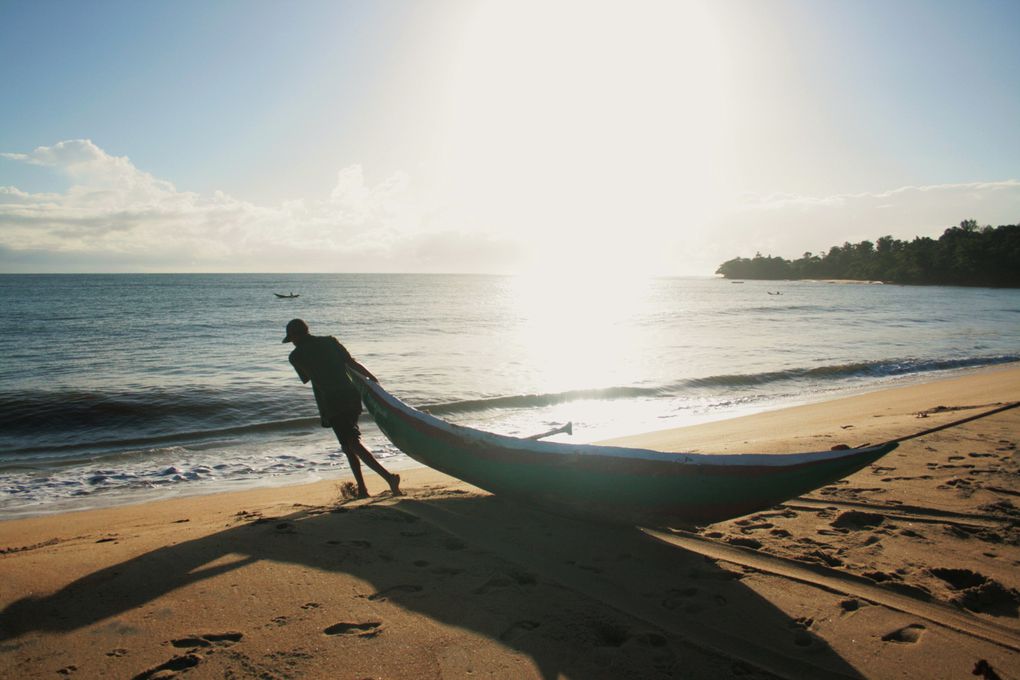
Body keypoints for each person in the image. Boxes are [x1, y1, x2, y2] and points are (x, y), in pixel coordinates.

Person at [282, 318, 401, 498]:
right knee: (347, 445)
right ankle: (362, 489)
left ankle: (389, 478)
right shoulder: (330, 341)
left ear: (294, 336)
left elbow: (307, 377)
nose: (293, 343)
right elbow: (351, 363)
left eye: (292, 339)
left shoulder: (296, 356)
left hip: (332, 402)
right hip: (351, 396)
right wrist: (373, 381)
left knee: (352, 442)